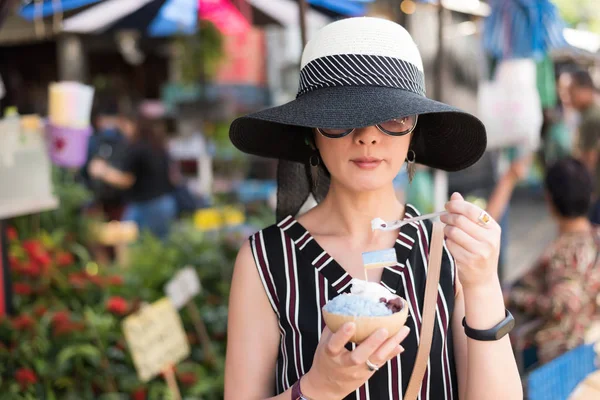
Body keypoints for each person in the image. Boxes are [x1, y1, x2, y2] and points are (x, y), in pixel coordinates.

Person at [225, 18, 521, 400]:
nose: (367, 135)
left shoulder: (449, 249)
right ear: (311, 133)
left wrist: (483, 286)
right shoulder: (264, 260)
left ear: (415, 130)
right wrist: (317, 388)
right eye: (340, 118)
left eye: (393, 117)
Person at [507, 157, 600, 364]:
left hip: (550, 358)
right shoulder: (595, 238)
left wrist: (513, 297)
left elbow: (563, 304)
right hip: (585, 349)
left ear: (549, 200)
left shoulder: (566, 252)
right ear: (590, 196)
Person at [88, 111, 176, 239]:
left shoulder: (136, 148)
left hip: (146, 205)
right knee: (161, 246)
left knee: (130, 243)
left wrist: (102, 172)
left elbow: (126, 180)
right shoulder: (158, 145)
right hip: (165, 202)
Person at [565, 69, 600, 224]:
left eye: (572, 91)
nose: (569, 97)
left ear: (585, 89)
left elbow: (589, 161)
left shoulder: (591, 118)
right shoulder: (589, 115)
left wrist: (583, 195)